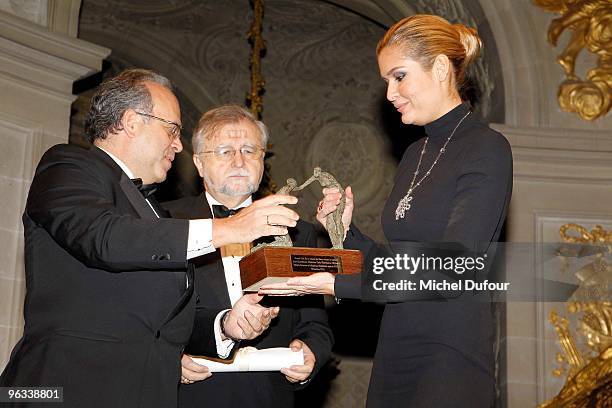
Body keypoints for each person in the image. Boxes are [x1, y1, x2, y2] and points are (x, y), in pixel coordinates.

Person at [0, 70, 298, 408]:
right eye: (172, 130)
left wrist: (227, 325)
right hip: (62, 388)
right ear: (130, 122)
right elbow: (105, 238)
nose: (178, 144)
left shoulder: (154, 211)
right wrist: (230, 229)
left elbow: (160, 320)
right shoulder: (68, 165)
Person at [261, 14, 513, 407]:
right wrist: (347, 233)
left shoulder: (487, 148)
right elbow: (395, 259)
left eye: (400, 76)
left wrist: (334, 284)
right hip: (397, 347)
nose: (391, 93)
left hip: (448, 357)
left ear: (442, 68)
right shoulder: (416, 153)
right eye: (386, 82)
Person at [163, 105, 334, 408]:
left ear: (262, 161)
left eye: (250, 150)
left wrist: (310, 352)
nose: (239, 161)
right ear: (199, 163)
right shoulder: (166, 223)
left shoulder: (296, 231)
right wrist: (165, 360)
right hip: (189, 395)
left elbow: (313, 322)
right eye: (225, 151)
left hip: (266, 396)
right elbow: (141, 318)